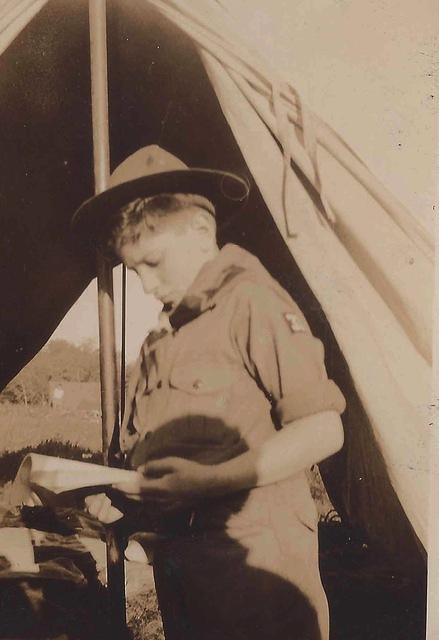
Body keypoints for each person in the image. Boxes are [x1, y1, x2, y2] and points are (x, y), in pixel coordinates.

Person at [72, 145, 346, 640]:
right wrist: (126, 503)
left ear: (201, 232)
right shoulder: (165, 337)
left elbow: (324, 430)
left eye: (153, 263)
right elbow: (181, 458)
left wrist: (206, 482)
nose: (147, 285)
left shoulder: (251, 301)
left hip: (258, 580)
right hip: (188, 575)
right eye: (134, 271)